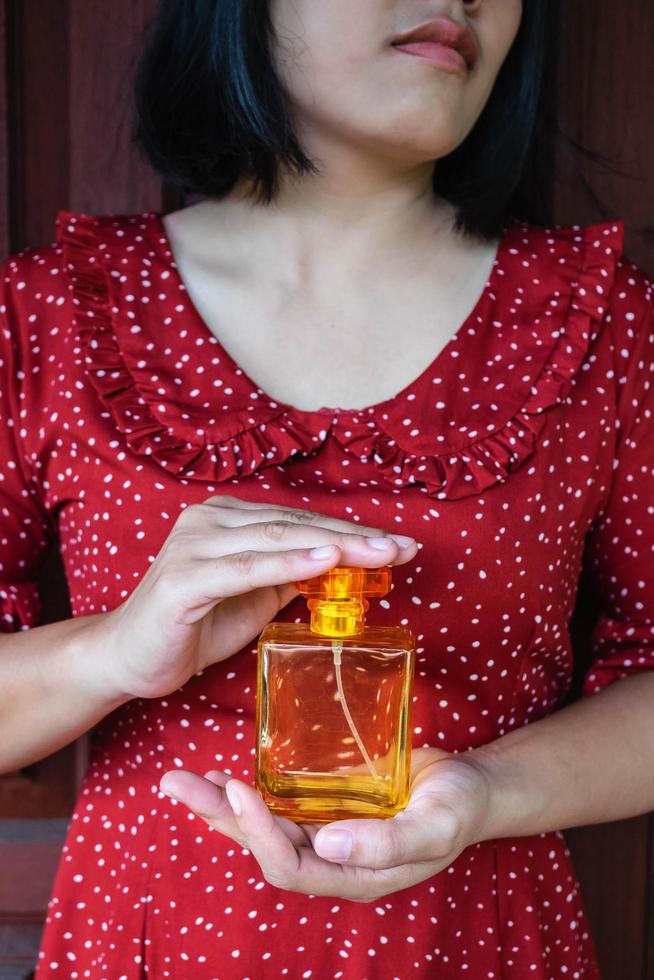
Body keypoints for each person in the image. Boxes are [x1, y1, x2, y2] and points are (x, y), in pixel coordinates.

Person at [1, 0, 652, 977]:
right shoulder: (52, 311)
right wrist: (115, 649)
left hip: (482, 943)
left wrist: (486, 791)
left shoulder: (608, 326)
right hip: (146, 939)